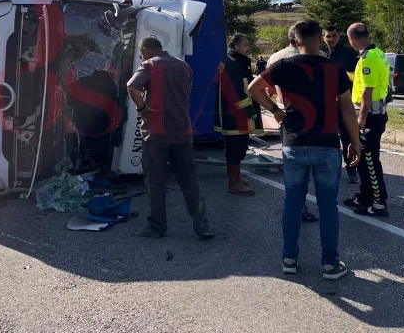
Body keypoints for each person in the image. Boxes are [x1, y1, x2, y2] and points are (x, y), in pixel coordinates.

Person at [249, 20, 361, 280]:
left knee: (293, 203)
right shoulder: (335, 68)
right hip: (327, 144)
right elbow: (347, 109)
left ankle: (289, 259)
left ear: (296, 41)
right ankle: (330, 264)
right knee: (328, 207)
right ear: (320, 39)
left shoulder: (282, 65)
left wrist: (276, 111)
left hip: (294, 144)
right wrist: (354, 142)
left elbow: (253, 88)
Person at [127, 36, 215, 239]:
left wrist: (142, 107)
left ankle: (157, 227)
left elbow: (132, 87)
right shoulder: (184, 67)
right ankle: (202, 227)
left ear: (147, 51)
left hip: (156, 134)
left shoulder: (149, 65)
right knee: (189, 181)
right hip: (182, 132)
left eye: (141, 54)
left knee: (155, 182)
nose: (142, 57)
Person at [267, 26, 328, 223]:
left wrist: (275, 109)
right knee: (317, 164)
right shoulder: (320, 56)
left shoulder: (276, 57)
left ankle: (295, 207)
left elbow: (265, 87)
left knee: (292, 165)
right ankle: (313, 207)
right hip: (316, 117)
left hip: (286, 115)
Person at [344, 23, 391, 217]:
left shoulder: (367, 58)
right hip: (375, 113)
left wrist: (360, 120)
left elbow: (367, 92)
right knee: (362, 158)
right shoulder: (378, 53)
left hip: (370, 116)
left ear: (351, 39)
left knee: (370, 159)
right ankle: (365, 196)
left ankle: (379, 203)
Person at [215, 33, 258, 196]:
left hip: (239, 114)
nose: (248, 47)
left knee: (240, 146)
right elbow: (233, 92)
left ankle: (237, 176)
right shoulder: (231, 64)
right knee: (234, 147)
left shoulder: (238, 62)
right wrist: (248, 109)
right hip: (235, 115)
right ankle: (234, 182)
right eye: (246, 44)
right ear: (236, 46)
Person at [323, 25, 360, 185]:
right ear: (323, 38)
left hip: (344, 101)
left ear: (339, 37)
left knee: (347, 136)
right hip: (326, 103)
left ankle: (351, 169)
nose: (331, 38)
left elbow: (356, 77)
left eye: (334, 35)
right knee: (327, 136)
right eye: (328, 36)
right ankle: (328, 168)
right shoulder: (321, 54)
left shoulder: (349, 53)